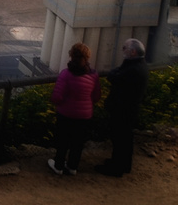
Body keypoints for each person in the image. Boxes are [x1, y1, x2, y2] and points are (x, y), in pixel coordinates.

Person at [97, 38, 149, 177]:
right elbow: (117, 73)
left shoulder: (133, 69)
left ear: (132, 52)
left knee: (119, 138)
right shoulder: (139, 65)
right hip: (129, 110)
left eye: (124, 48)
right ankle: (123, 164)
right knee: (125, 138)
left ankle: (116, 168)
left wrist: (114, 73)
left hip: (123, 110)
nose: (122, 50)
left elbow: (114, 76)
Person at [49, 42, 100, 176]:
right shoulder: (93, 75)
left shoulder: (66, 74)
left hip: (66, 114)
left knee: (63, 141)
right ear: (87, 57)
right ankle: (72, 167)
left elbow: (57, 96)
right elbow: (96, 96)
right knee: (78, 143)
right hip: (84, 116)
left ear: (71, 56)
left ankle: (58, 166)